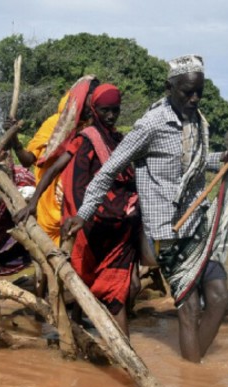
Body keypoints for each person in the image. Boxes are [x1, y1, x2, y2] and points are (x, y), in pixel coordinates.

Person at [63, 54, 228, 362]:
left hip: (197, 226)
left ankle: (195, 375)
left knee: (218, 299)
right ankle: (194, 380)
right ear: (169, 87)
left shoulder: (198, 122)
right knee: (188, 309)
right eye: (187, 91)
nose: (194, 97)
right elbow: (109, 170)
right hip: (166, 232)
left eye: (199, 91)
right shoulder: (151, 125)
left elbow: (197, 165)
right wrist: (83, 214)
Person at [54, 83, 140, 335]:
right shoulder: (86, 139)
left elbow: (130, 176)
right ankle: (78, 325)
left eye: (116, 110)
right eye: (106, 110)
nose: (111, 115)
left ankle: (121, 350)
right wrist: (34, 199)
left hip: (120, 224)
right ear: (94, 109)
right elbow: (69, 175)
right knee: (84, 276)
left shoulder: (120, 140)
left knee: (118, 291)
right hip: (90, 222)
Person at [10, 76, 99, 245]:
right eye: (90, 99)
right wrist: (14, 138)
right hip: (49, 202)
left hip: (80, 204)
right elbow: (27, 160)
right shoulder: (54, 124)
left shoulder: (95, 127)